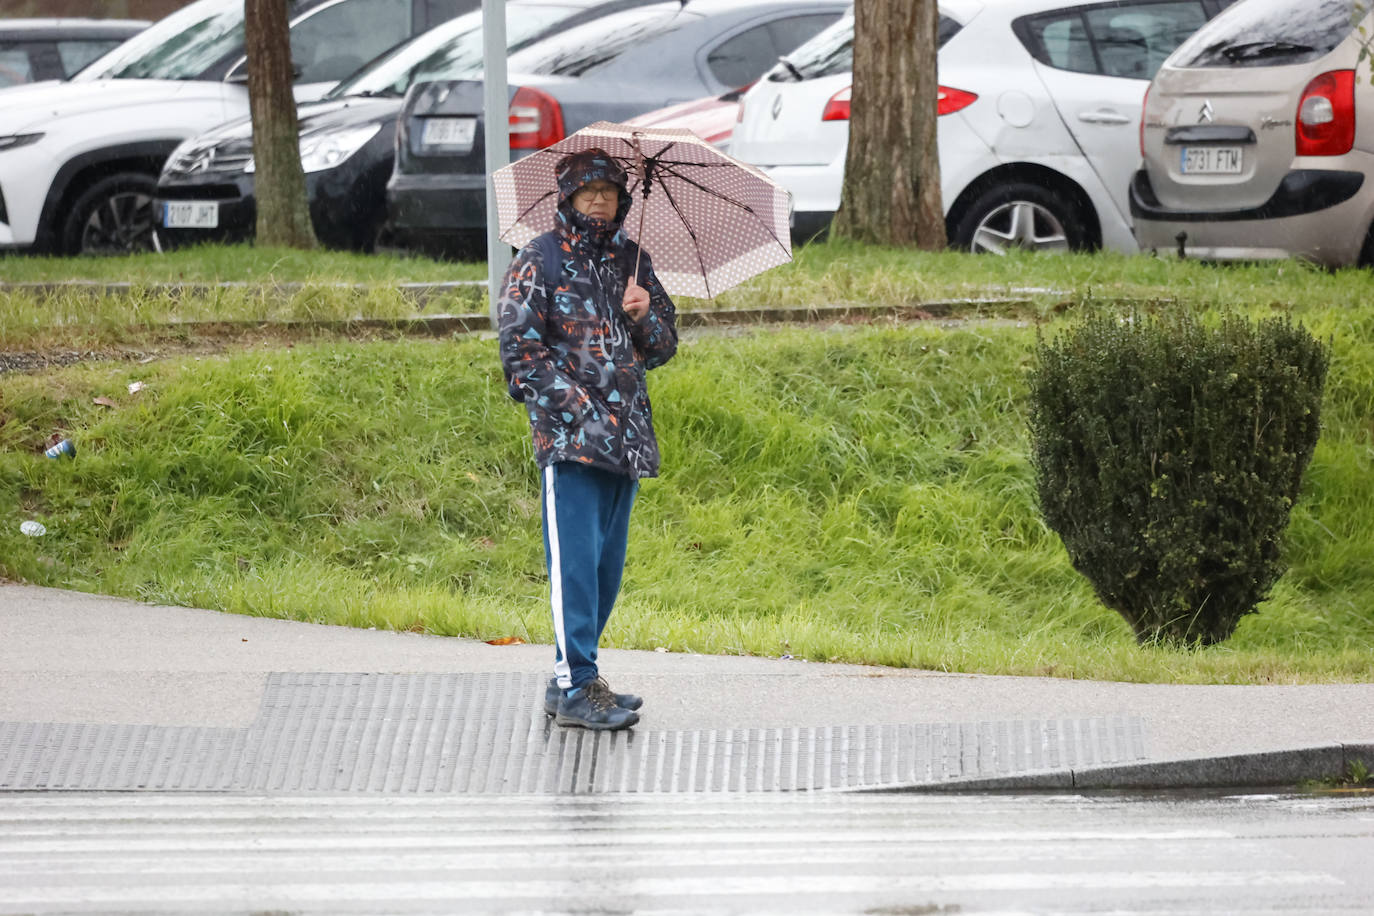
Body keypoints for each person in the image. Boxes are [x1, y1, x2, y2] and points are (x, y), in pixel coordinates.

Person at [496, 148, 678, 731]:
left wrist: (645, 313)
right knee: (573, 568)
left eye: (608, 191)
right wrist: (579, 411)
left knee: (604, 570)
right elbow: (520, 359)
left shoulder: (633, 262)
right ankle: (576, 685)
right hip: (572, 444)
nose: (598, 200)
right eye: (587, 192)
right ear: (567, 198)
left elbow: (662, 346)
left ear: (622, 199)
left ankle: (571, 678)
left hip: (626, 441)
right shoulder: (538, 259)